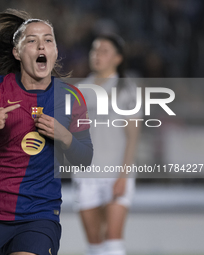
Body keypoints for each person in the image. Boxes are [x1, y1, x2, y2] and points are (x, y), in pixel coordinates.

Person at [0, 9, 93, 255]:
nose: (42, 45)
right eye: (32, 40)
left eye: (48, 40)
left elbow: (85, 159)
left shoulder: (71, 98)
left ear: (54, 52)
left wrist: (64, 136)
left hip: (39, 214)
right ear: (17, 53)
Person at [73, 34, 141, 255]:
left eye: (104, 51)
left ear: (118, 58)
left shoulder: (126, 90)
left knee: (113, 239)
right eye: (95, 51)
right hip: (86, 174)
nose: (97, 55)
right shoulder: (80, 91)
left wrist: (123, 175)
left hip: (116, 172)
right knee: (94, 243)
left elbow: (133, 136)